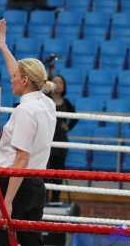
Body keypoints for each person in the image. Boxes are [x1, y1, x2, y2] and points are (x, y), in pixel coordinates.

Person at [0, 19, 56, 246]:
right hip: (36, 184)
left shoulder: (25, 110)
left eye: (15, 76)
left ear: (25, 80)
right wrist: (3, 47)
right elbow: (21, 75)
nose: (11, 78)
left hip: (16, 184)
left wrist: (7, 200)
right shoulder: (46, 103)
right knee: (31, 241)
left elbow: (22, 158)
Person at [46, 74, 78, 203]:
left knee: (58, 173)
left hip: (61, 140)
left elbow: (75, 117)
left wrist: (68, 127)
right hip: (47, 140)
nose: (58, 85)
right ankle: (43, 201)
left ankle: (55, 201)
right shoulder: (46, 99)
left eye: (61, 82)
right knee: (45, 172)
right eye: (55, 82)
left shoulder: (67, 102)